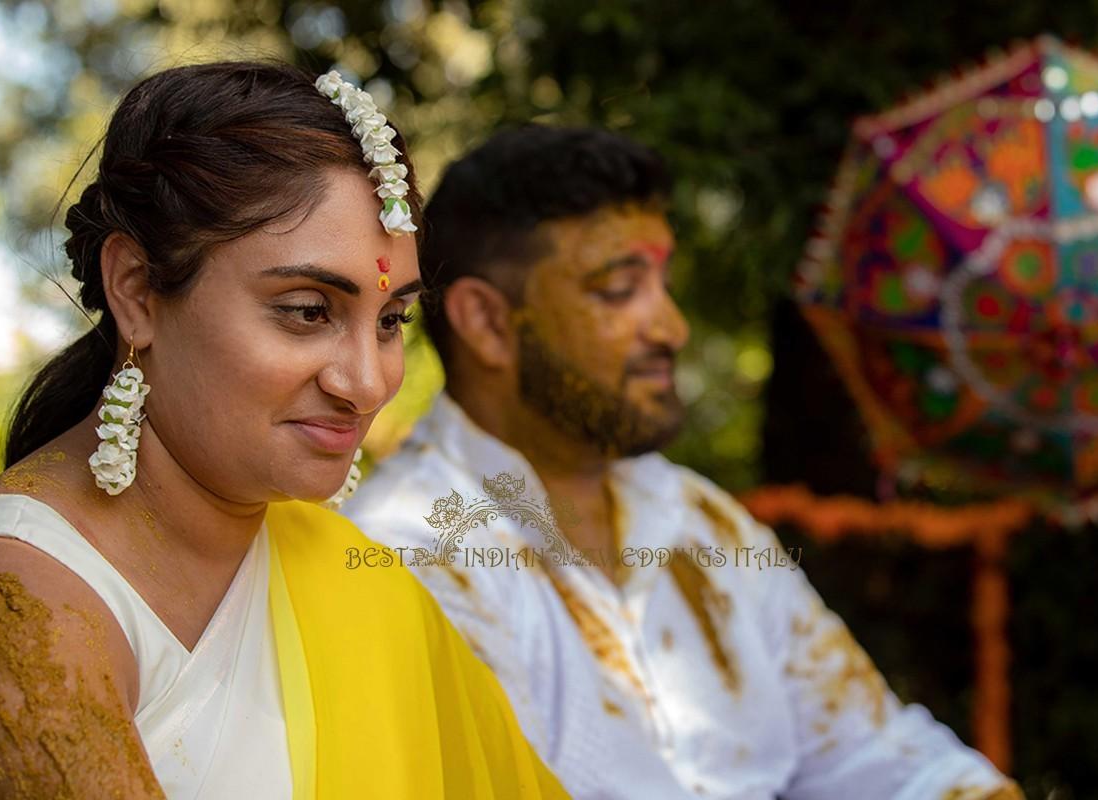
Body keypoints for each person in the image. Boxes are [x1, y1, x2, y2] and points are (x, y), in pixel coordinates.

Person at [344, 125, 1024, 799]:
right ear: (488, 324)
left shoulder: (700, 520)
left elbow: (883, 757)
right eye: (618, 289)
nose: (671, 327)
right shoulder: (412, 554)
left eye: (662, 284)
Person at [0, 62, 567, 799]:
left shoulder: (350, 575)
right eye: (308, 310)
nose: (367, 383)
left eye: (390, 321)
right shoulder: (11, 603)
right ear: (137, 291)